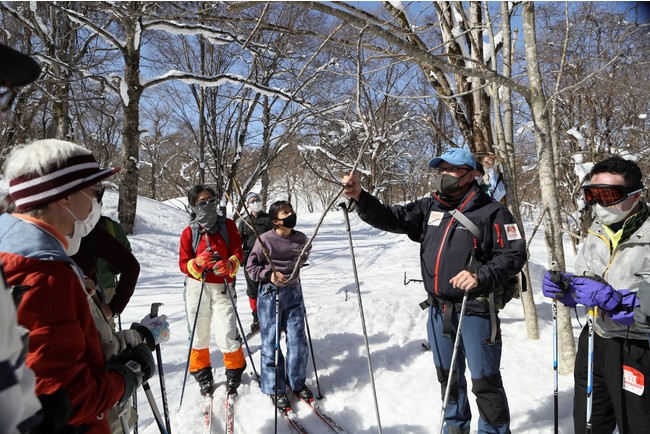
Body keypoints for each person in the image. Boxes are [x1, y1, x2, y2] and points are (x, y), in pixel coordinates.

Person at [342, 147, 527, 434]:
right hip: (439, 310)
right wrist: (360, 197)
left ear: (472, 175)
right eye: (441, 170)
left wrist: (480, 275)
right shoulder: (430, 207)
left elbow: (514, 255)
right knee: (448, 377)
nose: (444, 176)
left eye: (451, 170)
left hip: (476, 308)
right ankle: (454, 428)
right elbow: (393, 218)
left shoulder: (493, 212)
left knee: (485, 381)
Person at [0, 138, 155, 434]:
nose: (96, 203)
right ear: (64, 197)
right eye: (95, 192)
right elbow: (63, 396)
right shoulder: (44, 273)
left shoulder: (15, 249)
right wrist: (127, 377)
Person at [542, 156, 649, 434]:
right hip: (595, 340)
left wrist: (617, 301)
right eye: (593, 195)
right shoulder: (597, 231)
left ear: (636, 194)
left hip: (636, 347)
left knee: (637, 425)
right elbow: (588, 279)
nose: (601, 203)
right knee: (588, 424)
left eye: (609, 194)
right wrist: (567, 288)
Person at [179, 185, 246, 396]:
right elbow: (182, 263)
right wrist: (197, 263)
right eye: (202, 202)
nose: (208, 205)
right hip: (196, 287)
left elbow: (238, 252)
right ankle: (202, 375)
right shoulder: (189, 232)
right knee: (199, 333)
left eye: (211, 200)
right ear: (193, 206)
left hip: (222, 286)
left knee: (227, 330)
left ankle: (234, 372)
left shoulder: (228, 225)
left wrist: (229, 264)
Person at [245, 200, 313, 410]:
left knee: (297, 341)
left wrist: (298, 264)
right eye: (285, 212)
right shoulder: (264, 240)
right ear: (275, 221)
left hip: (293, 293)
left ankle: (297, 382)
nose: (291, 214)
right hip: (269, 294)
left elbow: (303, 257)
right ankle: (274, 386)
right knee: (271, 342)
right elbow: (250, 267)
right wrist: (269, 275)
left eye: (291, 210)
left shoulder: (302, 238)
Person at [72, 211, 140, 325]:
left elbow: (130, 264)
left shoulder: (92, 230)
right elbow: (127, 256)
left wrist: (114, 308)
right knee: (107, 326)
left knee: (105, 329)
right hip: (104, 286)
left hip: (99, 289)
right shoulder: (110, 226)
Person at [238, 191, 273, 334]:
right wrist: (239, 257)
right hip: (250, 261)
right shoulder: (245, 221)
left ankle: (271, 314)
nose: (255, 203)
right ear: (247, 205)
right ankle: (257, 317)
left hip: (267, 259)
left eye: (256, 200)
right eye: (251, 201)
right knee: (253, 290)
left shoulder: (268, 219)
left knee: (269, 287)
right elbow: (238, 241)